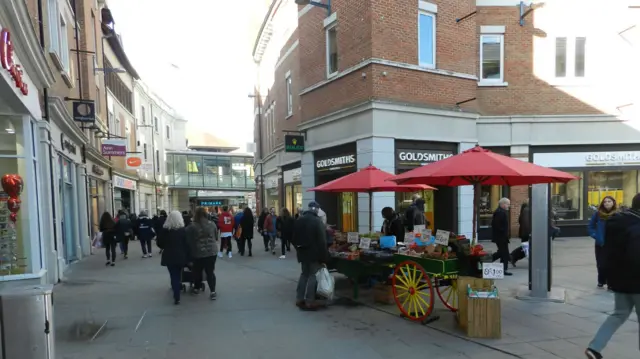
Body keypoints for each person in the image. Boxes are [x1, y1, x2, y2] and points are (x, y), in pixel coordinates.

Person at [584, 193, 640, 359]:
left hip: (618, 278)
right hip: (637, 280)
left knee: (619, 313)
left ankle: (595, 347)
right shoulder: (637, 226)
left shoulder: (616, 222)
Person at [292, 201, 330, 310]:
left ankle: (299, 298)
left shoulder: (299, 220)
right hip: (314, 253)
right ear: (317, 210)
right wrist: (324, 256)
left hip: (302, 253)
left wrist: (299, 249)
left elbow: (293, 238)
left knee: (304, 274)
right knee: (313, 275)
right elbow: (322, 241)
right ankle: (310, 300)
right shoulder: (317, 221)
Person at [157, 210, 189, 305]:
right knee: (178, 273)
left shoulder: (165, 231)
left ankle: (176, 294)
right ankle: (177, 287)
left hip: (169, 255)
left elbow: (160, 243)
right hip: (181, 256)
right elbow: (187, 244)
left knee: (173, 275)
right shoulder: (183, 230)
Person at [186, 207, 219, 300]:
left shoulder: (192, 226)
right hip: (212, 252)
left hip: (198, 252)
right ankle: (213, 291)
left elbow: (188, 239)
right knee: (210, 271)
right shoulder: (212, 224)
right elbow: (216, 236)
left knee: (197, 271)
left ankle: (197, 288)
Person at [588, 196, 618, 289]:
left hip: (613, 244)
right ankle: (601, 280)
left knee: (612, 263)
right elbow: (591, 226)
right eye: (605, 202)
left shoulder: (618, 214)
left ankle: (610, 283)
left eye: (609, 201)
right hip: (601, 243)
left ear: (613, 202)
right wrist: (595, 235)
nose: (607, 203)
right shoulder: (598, 214)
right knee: (601, 263)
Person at [491, 198, 513, 276]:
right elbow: (497, 225)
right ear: (503, 204)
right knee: (504, 253)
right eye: (508, 204)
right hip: (500, 237)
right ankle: (502, 269)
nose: (509, 206)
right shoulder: (500, 212)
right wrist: (503, 232)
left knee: (503, 253)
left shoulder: (501, 212)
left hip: (501, 237)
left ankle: (502, 269)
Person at [510, 200, 531, 267]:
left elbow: (520, 221)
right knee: (526, 248)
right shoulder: (527, 210)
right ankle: (512, 256)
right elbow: (526, 223)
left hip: (525, 233)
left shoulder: (525, 210)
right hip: (527, 233)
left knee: (526, 247)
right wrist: (530, 232)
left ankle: (513, 257)